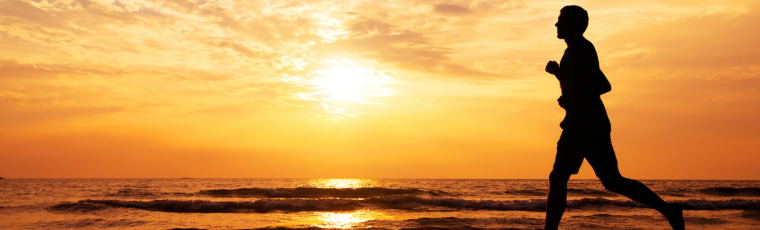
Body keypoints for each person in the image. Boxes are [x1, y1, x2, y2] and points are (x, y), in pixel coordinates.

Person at [543, 5, 685, 230]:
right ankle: (669, 210)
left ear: (574, 25)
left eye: (561, 21)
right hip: (587, 122)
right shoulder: (576, 49)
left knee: (560, 177)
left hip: (584, 125)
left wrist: (558, 73)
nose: (556, 25)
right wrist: (569, 99)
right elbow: (592, 85)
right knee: (611, 180)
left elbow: (599, 86)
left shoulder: (581, 49)